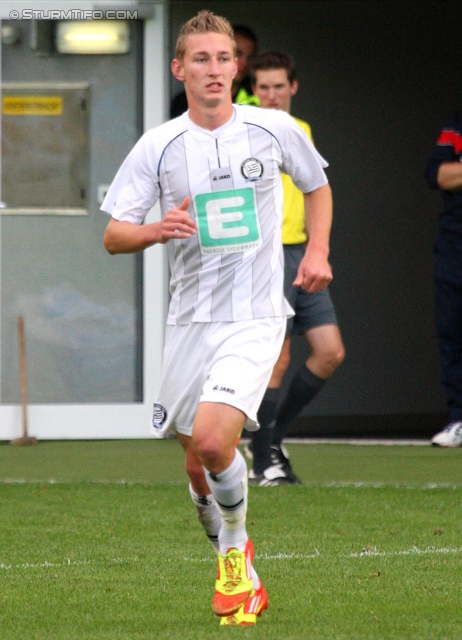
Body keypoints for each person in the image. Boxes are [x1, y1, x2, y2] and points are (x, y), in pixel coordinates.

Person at [102, 11, 333, 626]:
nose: (213, 70)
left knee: (213, 440)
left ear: (239, 68)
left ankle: (235, 554)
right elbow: (113, 235)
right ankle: (233, 553)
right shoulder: (159, 145)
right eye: (200, 59)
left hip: (254, 315)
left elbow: (316, 184)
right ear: (180, 69)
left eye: (223, 59)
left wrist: (315, 250)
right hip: (189, 322)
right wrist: (155, 228)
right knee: (194, 461)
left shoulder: (273, 129)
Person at [247, 52, 345, 485]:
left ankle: (270, 440)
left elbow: (315, 190)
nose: (270, 96)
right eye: (262, 88)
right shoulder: (243, 129)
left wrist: (317, 250)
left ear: (293, 87)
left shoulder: (299, 130)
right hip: (264, 257)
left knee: (330, 353)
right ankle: (264, 458)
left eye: (278, 87)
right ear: (253, 90)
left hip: (302, 255)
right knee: (278, 358)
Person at [425, 110, 462, 447]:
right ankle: (459, 418)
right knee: (452, 328)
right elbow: (437, 174)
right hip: (454, 241)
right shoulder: (456, 122)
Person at [170, 24, 259, 118]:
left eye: (250, 57)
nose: (244, 62)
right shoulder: (183, 101)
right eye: (238, 53)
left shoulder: (259, 92)